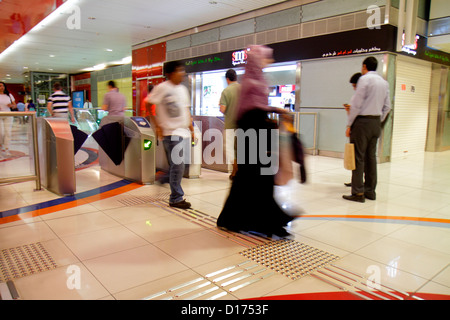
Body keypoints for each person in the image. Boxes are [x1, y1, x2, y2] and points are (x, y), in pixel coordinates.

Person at [216, 45, 293, 238]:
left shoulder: (256, 79)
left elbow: (258, 106)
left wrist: (273, 111)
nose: (270, 61)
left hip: (256, 131)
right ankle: (256, 220)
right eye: (266, 58)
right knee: (255, 177)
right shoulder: (251, 81)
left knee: (255, 178)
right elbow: (254, 108)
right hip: (252, 131)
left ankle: (248, 220)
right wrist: (274, 110)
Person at [343, 57, 391, 203]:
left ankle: (358, 193)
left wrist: (350, 124)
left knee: (358, 157)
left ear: (364, 66)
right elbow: (388, 106)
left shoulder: (364, 80)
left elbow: (356, 104)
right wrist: (377, 120)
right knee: (371, 158)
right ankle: (370, 191)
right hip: (376, 122)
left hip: (362, 123)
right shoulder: (384, 82)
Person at [148, 61, 195, 210]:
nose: (182, 73)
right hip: (171, 133)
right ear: (170, 73)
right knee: (178, 164)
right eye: (179, 70)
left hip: (183, 132)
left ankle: (164, 178)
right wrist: (157, 125)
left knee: (183, 165)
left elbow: (186, 111)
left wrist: (192, 130)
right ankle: (176, 198)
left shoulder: (183, 89)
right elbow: (148, 104)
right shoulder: (162, 88)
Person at [219, 69, 241, 180]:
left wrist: (220, 107)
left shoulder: (226, 91)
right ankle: (236, 171)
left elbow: (223, 109)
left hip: (230, 126)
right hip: (242, 125)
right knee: (240, 149)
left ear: (227, 79)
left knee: (230, 149)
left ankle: (236, 170)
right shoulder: (243, 89)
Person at [343, 72, 362, 187]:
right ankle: (359, 182)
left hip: (358, 127)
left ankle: (357, 184)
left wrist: (349, 126)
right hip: (370, 127)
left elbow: (354, 113)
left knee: (357, 157)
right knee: (363, 157)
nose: (354, 89)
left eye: (355, 86)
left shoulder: (358, 97)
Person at [0, 82, 16, 158]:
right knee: (1, 133)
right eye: (0, 86)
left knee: (8, 132)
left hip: (8, 115)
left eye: (3, 86)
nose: (1, 87)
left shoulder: (9, 95)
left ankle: (7, 149)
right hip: (0, 115)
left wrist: (11, 105)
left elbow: (14, 105)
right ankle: (1, 147)